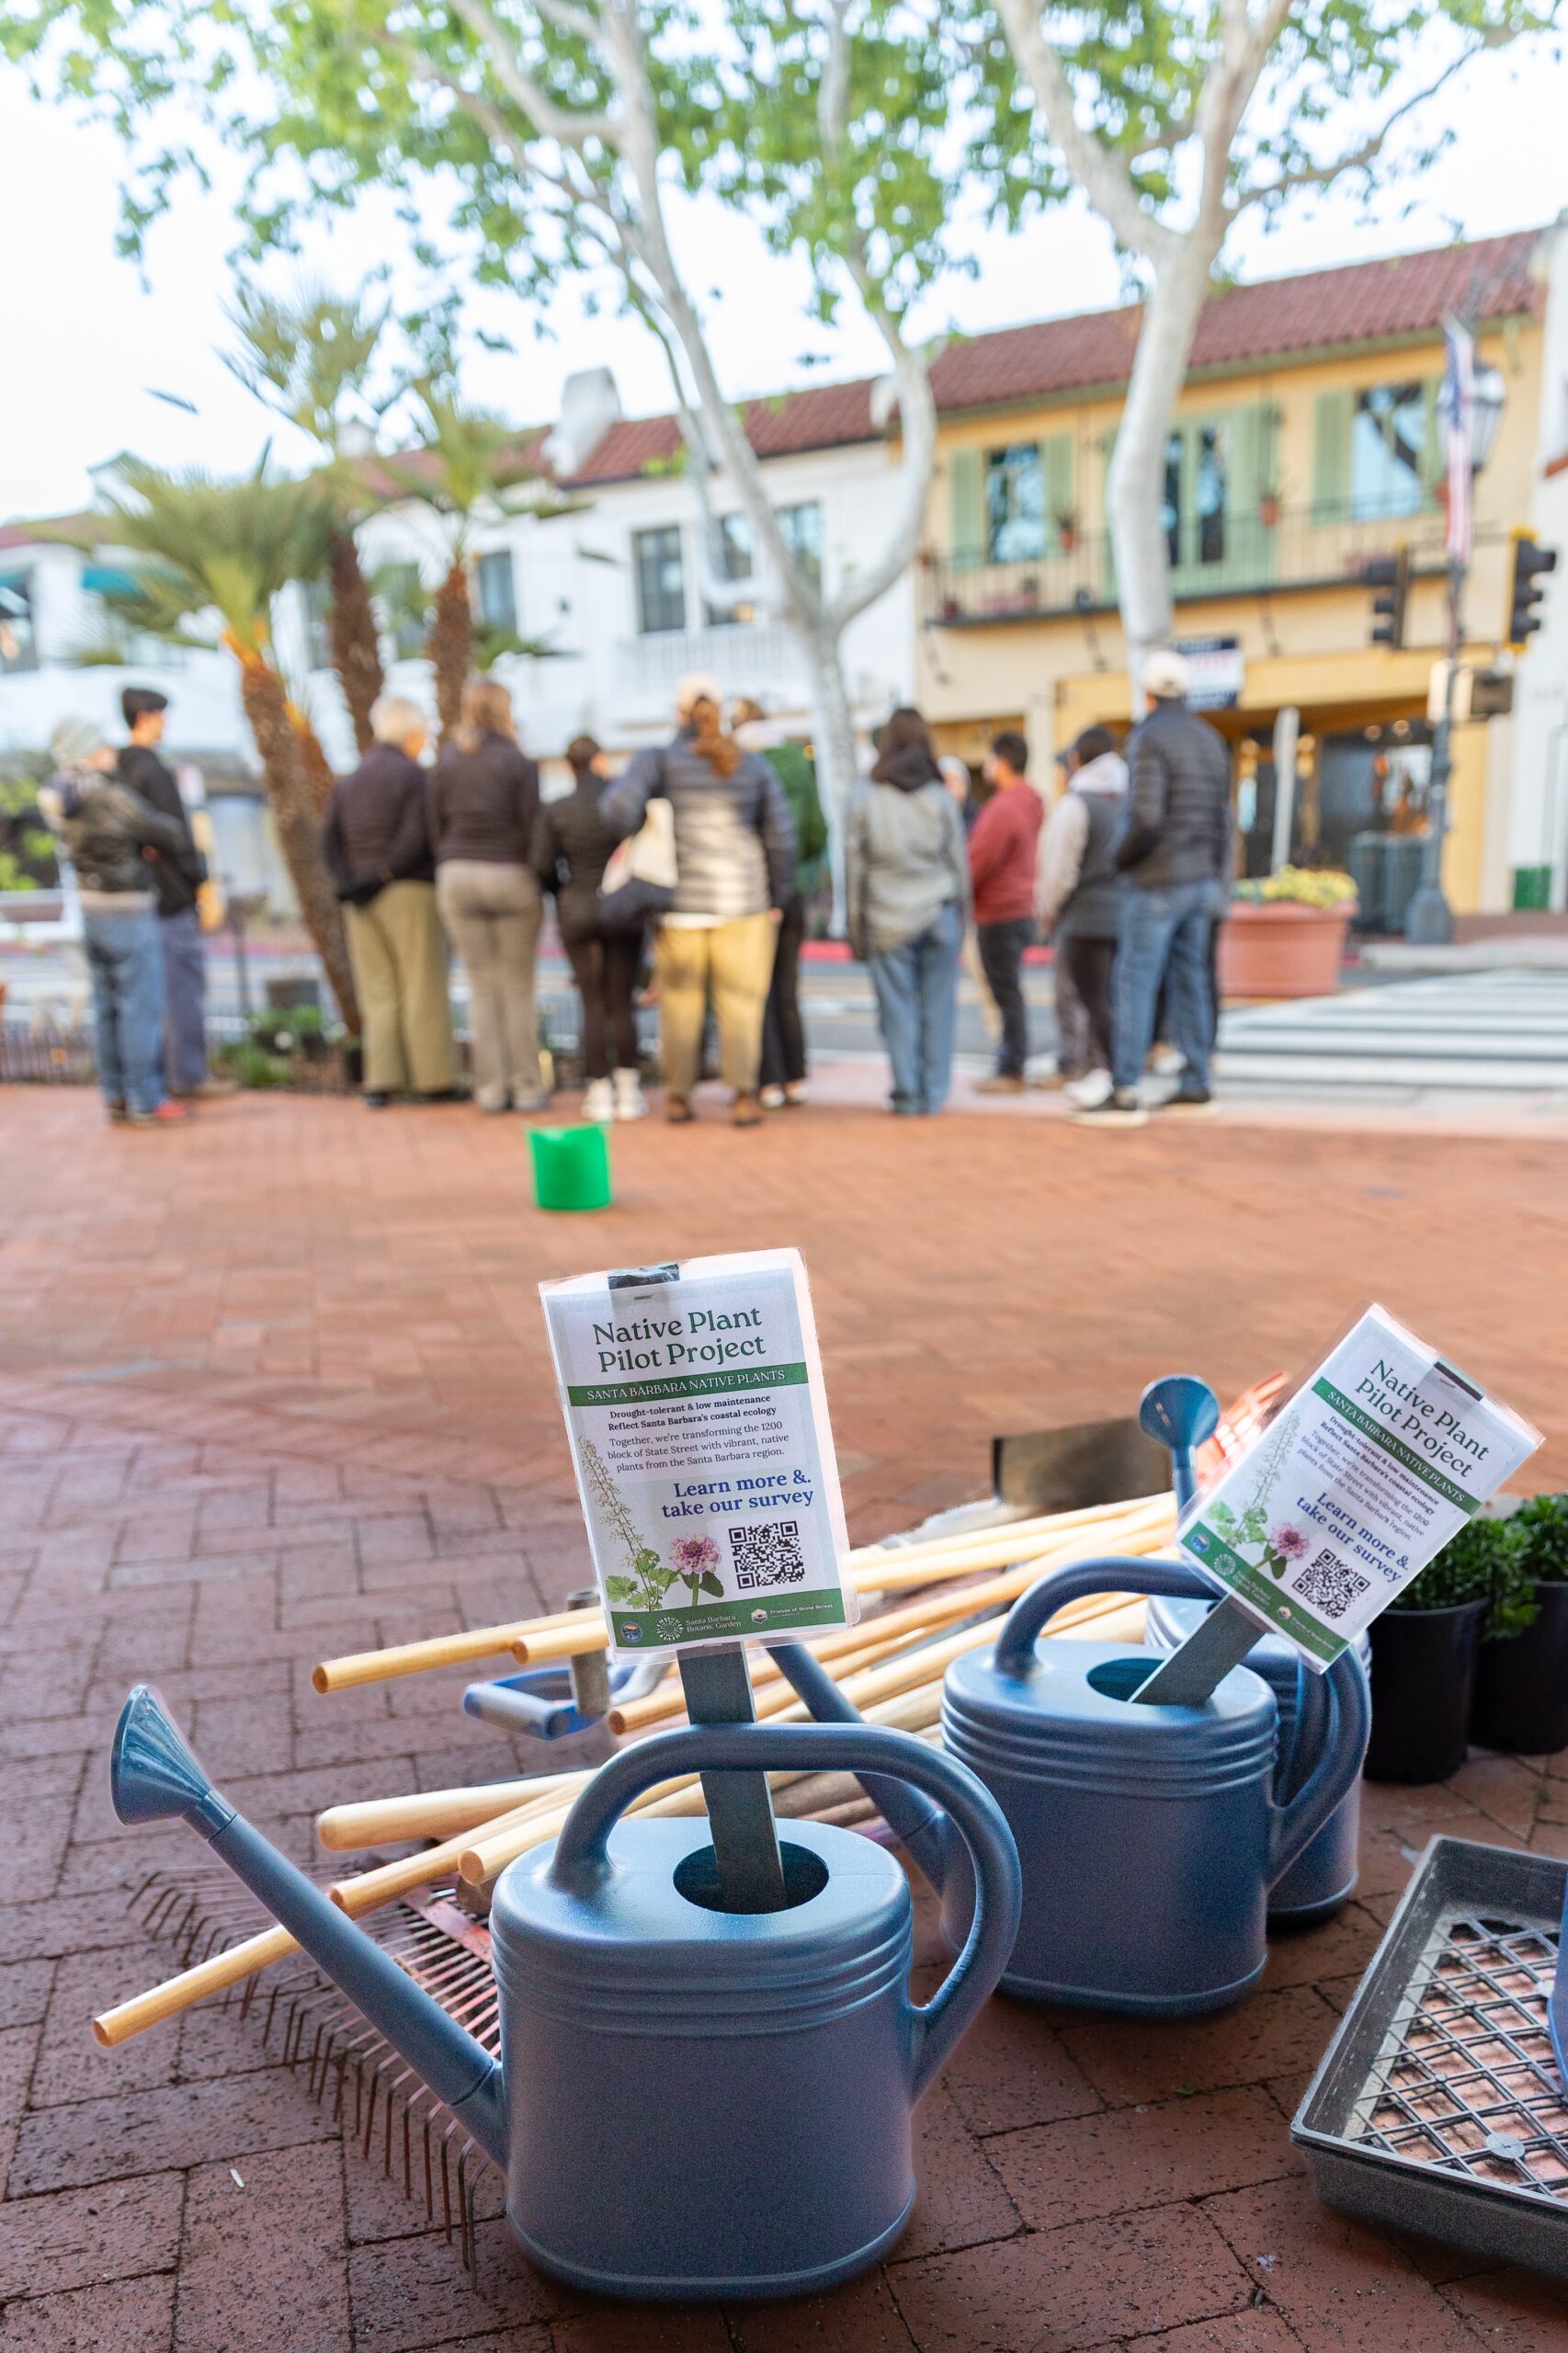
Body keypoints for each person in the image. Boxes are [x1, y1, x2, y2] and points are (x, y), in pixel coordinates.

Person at [604, 676, 795, 1129]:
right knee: (742, 1006)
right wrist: (777, 896)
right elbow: (781, 839)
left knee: (681, 1005)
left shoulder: (660, 760)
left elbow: (615, 813)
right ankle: (744, 1096)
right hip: (744, 903)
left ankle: (678, 1097)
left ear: (679, 714)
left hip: (681, 905)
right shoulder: (751, 765)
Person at [1074, 649, 1232, 1131]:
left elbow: (1145, 815)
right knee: (1192, 983)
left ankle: (1125, 1089)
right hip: (1201, 879)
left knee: (1134, 982)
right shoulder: (1210, 740)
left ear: (1147, 692)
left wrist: (1118, 857)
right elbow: (1221, 818)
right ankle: (1197, 1081)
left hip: (1157, 880)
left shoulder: (1148, 738)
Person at [39, 717, 192, 1126]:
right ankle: (146, 1098)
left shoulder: (63, 796)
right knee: (139, 1007)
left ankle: (117, 1094)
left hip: (90, 909)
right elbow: (168, 831)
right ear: (89, 752)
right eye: (102, 745)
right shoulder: (107, 794)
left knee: (107, 1008)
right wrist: (147, 846)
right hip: (127, 908)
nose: (111, 751)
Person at [322, 694, 459, 1108]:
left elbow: (328, 840)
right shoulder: (413, 777)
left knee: (378, 991)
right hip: (408, 891)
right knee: (422, 985)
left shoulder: (351, 780)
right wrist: (382, 875)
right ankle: (433, 1080)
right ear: (413, 734)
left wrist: (351, 882)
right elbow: (416, 836)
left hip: (360, 900)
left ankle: (380, 1083)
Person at [428, 677, 548, 1114]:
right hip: (510, 873)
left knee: (481, 988)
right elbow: (534, 824)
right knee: (517, 989)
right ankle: (528, 1088)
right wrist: (537, 876)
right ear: (504, 710)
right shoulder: (518, 762)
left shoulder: (446, 761)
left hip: (457, 875)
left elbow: (434, 824)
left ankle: (490, 1090)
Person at [846, 707, 970, 1117]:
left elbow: (854, 867)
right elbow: (958, 863)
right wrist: (963, 923)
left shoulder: (866, 794)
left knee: (897, 1010)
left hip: (886, 915)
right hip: (938, 912)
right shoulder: (939, 795)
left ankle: (907, 1092)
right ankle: (934, 1092)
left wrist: (854, 927)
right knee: (939, 1008)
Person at [534, 734, 647, 1123]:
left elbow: (541, 866)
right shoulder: (623, 804)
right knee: (621, 999)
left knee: (591, 1001)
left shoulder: (558, 810)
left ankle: (599, 1091)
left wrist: (564, 892)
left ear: (570, 767)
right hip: (622, 910)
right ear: (599, 761)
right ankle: (630, 1090)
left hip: (577, 910)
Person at [732, 699, 828, 1110]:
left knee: (758, 989)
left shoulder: (739, 763)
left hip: (752, 892)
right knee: (787, 987)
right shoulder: (796, 759)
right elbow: (816, 831)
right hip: (795, 889)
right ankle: (795, 1078)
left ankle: (767, 1079)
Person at [117, 687, 213, 1098]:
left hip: (142, 898)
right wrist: (199, 880)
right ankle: (187, 1076)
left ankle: (165, 1077)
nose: (165, 723)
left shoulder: (118, 770)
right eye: (160, 714)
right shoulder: (149, 770)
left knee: (147, 995)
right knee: (182, 987)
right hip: (171, 896)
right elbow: (175, 835)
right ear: (145, 717)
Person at [1036, 725, 1129, 1108]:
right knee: (1112, 997)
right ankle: (1109, 1068)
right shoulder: (1129, 798)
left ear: (1077, 759)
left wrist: (1048, 910)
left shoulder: (1077, 804)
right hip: (1124, 914)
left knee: (1083, 998)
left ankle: (1092, 1069)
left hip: (1084, 916)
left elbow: (1058, 869)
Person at [967, 729, 1044, 1094]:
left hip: (999, 911)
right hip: (1019, 907)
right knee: (1009, 990)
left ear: (1003, 761)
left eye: (989, 758)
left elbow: (977, 861)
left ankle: (1011, 1066)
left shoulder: (1004, 807)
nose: (986, 766)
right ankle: (1012, 1061)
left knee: (1005, 993)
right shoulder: (1029, 802)